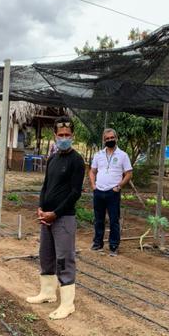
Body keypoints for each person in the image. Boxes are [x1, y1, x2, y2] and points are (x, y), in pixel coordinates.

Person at [26, 117, 85, 320]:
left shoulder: (77, 161)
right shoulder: (53, 158)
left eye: (68, 135)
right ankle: (47, 293)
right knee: (46, 255)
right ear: (55, 136)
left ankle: (67, 304)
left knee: (64, 258)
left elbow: (75, 193)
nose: (64, 138)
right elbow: (45, 185)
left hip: (63, 218)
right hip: (47, 217)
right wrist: (41, 207)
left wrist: (55, 213)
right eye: (61, 135)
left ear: (73, 136)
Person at [88, 127, 132, 256]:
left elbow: (128, 174)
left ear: (116, 139)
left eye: (112, 138)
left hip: (113, 192)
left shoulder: (123, 155)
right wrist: (93, 185)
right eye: (107, 138)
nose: (110, 140)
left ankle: (113, 246)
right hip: (99, 191)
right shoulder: (98, 155)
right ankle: (97, 243)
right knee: (98, 219)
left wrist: (119, 187)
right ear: (104, 140)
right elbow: (92, 171)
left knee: (114, 219)